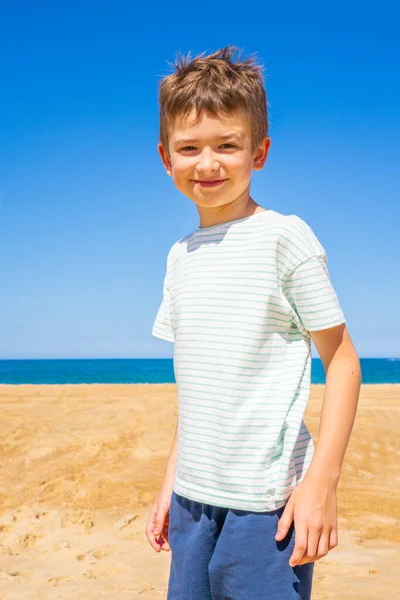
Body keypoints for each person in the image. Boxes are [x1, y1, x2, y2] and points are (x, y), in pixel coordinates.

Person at [145, 45, 361, 600]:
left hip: (266, 507)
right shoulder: (179, 256)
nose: (208, 163)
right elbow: (197, 388)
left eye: (227, 145)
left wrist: (322, 485)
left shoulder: (285, 238)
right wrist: (171, 484)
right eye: (189, 148)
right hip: (193, 501)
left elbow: (342, 363)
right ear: (167, 159)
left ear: (259, 151)